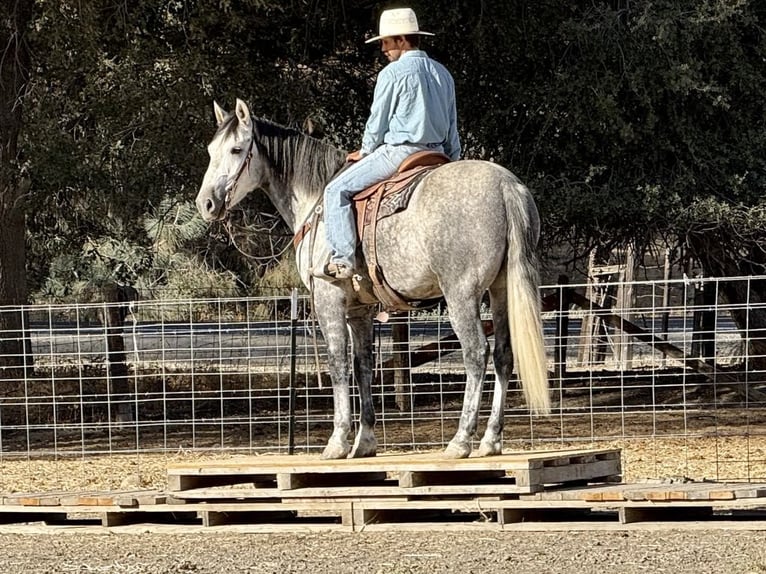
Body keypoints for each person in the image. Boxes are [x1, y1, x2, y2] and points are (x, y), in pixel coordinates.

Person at [320, 7, 461, 280]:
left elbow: (378, 121)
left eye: (385, 42)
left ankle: (343, 260)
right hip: (438, 153)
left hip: (400, 152)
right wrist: (453, 160)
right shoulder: (443, 73)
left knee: (335, 191)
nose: (383, 49)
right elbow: (453, 125)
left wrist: (366, 151)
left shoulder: (392, 74)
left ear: (401, 40)